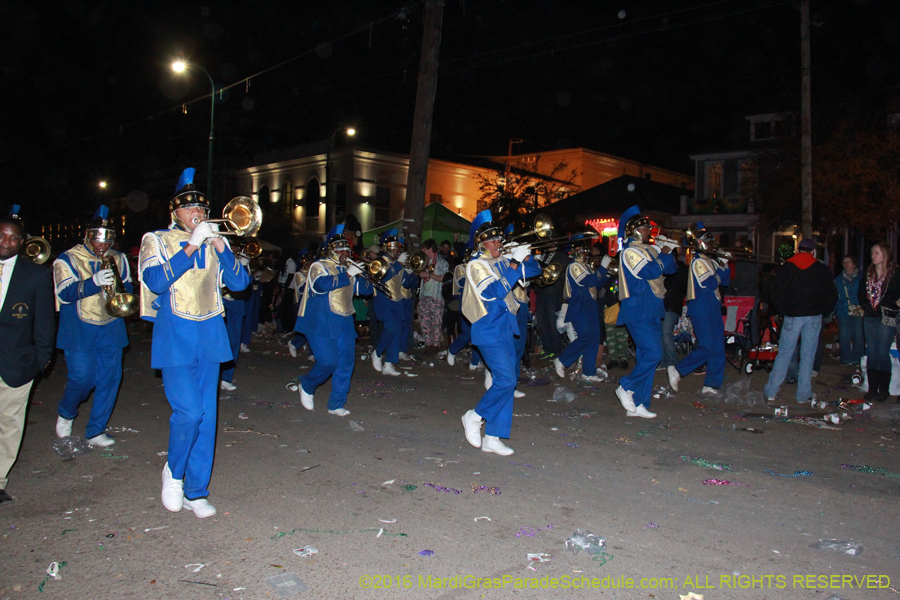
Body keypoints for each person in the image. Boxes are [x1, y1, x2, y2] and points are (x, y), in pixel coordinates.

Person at [139, 168, 250, 518]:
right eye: (189, 209)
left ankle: (197, 490)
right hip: (175, 337)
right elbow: (155, 281)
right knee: (188, 412)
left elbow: (241, 282)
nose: (197, 214)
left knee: (207, 416)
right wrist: (191, 245)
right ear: (175, 212)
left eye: (201, 209)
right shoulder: (155, 239)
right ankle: (173, 472)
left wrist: (219, 244)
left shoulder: (216, 242)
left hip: (211, 336)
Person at [53, 205, 133, 446]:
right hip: (79, 327)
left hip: (111, 326)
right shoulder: (67, 258)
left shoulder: (119, 258)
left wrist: (120, 288)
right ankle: (67, 412)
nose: (104, 245)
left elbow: (127, 288)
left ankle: (96, 430)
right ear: (88, 236)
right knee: (82, 378)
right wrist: (93, 282)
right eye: (99, 239)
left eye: (109, 239)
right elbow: (64, 293)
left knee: (110, 379)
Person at [460, 210, 537, 456]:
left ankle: (492, 437)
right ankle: (474, 416)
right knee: (505, 379)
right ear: (481, 243)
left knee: (508, 381)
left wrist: (526, 254)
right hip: (488, 329)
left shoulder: (502, 260)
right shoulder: (476, 265)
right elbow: (493, 291)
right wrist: (513, 262)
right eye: (492, 240)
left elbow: (533, 273)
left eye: (499, 239)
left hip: (506, 326)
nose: (498, 244)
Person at [0, 206, 55, 504]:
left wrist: (39, 362)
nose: (6, 242)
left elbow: (45, 323)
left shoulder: (35, 275)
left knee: (9, 423)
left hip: (16, 363)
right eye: (1, 236)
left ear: (22, 242)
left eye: (13, 238)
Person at [294, 225, 372, 415]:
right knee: (328, 361)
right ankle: (307, 384)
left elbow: (366, 291)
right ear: (331, 249)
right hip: (321, 321)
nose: (345, 252)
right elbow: (321, 285)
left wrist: (367, 274)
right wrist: (348, 274)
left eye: (347, 248)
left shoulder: (349, 268)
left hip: (345, 319)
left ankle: (336, 403)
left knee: (346, 363)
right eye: (340, 248)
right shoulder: (318, 266)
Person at [613, 206, 676, 418]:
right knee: (654, 353)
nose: (650, 230)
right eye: (646, 227)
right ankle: (626, 386)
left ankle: (639, 402)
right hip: (637, 307)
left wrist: (667, 249)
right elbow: (649, 271)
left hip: (652, 306)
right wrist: (664, 252)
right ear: (636, 231)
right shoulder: (630, 251)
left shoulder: (648, 249)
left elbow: (671, 269)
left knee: (644, 356)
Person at [763, 238, 837, 405]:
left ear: (797, 251)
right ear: (814, 252)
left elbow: (774, 293)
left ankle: (771, 391)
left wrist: (783, 310)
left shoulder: (787, 268)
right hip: (813, 316)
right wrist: (823, 312)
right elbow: (832, 294)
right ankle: (803, 394)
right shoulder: (821, 269)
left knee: (784, 354)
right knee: (808, 356)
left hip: (792, 315)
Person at [667, 226, 730, 396]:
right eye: (709, 242)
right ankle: (678, 370)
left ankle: (711, 384)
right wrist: (721, 267)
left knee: (718, 348)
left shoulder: (710, 261)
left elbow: (724, 281)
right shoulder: (698, 261)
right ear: (701, 244)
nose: (712, 245)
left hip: (713, 306)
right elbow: (709, 283)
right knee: (708, 347)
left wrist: (724, 265)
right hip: (702, 308)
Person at [553, 235, 609, 383]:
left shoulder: (586, 266)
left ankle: (588, 372)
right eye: (583, 251)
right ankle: (562, 360)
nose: (586, 254)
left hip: (590, 306)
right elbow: (588, 281)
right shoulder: (574, 266)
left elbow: (595, 285)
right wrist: (602, 268)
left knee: (593, 338)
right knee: (585, 337)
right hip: (580, 306)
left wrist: (606, 273)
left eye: (586, 251)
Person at [858, 242, 900, 402]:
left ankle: (884, 389)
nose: (873, 256)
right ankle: (872, 388)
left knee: (883, 352)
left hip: (887, 315)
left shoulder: (894, 274)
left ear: (885, 255)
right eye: (872, 253)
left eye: (876, 253)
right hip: (870, 316)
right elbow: (861, 293)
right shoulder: (869, 274)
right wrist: (866, 306)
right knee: (872, 352)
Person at [370, 230, 417, 375]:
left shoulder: (398, 263)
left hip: (397, 300)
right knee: (390, 328)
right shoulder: (379, 261)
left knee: (396, 331)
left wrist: (409, 273)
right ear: (386, 247)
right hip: (383, 299)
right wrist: (400, 265)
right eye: (393, 246)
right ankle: (377, 353)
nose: (397, 249)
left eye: (398, 247)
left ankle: (389, 364)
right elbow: (382, 277)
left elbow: (405, 284)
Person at [447, 244, 482, 371]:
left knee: (478, 333)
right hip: (467, 302)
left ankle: (475, 361)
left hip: (480, 303)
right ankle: (452, 350)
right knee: (468, 333)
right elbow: (463, 282)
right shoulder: (460, 268)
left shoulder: (481, 267)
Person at [220, 256, 252, 391]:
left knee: (234, 343)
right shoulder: (220, 256)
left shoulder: (242, 264)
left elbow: (247, 283)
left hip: (237, 306)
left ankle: (226, 377)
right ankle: (217, 376)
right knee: (223, 342)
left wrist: (244, 266)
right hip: (222, 304)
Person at [533, 244, 569, 360]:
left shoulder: (561, 256)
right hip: (542, 292)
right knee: (542, 324)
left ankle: (556, 352)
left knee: (553, 324)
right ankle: (548, 349)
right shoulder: (543, 255)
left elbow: (562, 276)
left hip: (554, 294)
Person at [417, 239, 449, 352]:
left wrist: (429, 274)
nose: (422, 250)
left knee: (436, 323)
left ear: (430, 249)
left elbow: (444, 279)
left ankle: (435, 346)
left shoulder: (442, 262)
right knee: (424, 322)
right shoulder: (424, 262)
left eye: (424, 248)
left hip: (436, 297)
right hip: (424, 296)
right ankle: (428, 344)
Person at [660, 248, 688, 371]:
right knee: (661, 334)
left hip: (672, 304)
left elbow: (683, 287)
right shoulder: (665, 269)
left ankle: (672, 362)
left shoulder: (681, 269)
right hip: (663, 305)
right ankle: (664, 361)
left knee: (666, 333)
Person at [835, 254, 864, 366]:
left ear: (854, 264)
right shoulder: (839, 279)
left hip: (857, 308)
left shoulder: (861, 278)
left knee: (858, 334)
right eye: (844, 262)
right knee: (844, 335)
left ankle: (858, 358)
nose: (846, 264)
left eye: (848, 262)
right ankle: (846, 358)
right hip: (843, 309)